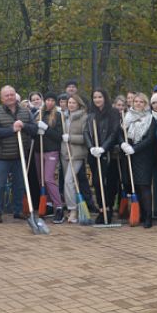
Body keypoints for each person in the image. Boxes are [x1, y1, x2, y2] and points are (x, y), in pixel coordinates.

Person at [0, 85, 39, 222]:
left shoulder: (25, 112)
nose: (10, 97)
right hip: (2, 156)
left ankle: (18, 210)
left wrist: (24, 126)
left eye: (12, 94)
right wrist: (12, 129)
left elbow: (34, 130)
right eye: (7, 95)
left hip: (20, 155)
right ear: (2, 98)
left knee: (19, 185)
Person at [121, 92, 157, 228]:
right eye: (136, 101)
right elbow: (120, 133)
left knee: (144, 186)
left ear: (145, 104)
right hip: (129, 155)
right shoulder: (126, 117)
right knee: (134, 186)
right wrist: (123, 144)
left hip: (143, 156)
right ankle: (140, 214)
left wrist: (135, 149)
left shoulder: (150, 118)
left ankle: (148, 217)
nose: (138, 104)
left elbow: (150, 139)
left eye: (141, 102)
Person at [84, 88, 121, 223]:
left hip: (108, 153)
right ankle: (101, 208)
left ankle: (108, 209)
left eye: (100, 97)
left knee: (106, 182)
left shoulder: (113, 112)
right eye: (95, 97)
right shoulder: (91, 114)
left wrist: (103, 148)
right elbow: (86, 132)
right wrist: (91, 147)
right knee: (96, 182)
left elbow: (114, 132)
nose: (97, 99)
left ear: (105, 98)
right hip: (94, 153)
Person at [35, 92, 64, 223]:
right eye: (48, 100)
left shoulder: (58, 115)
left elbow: (58, 136)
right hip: (38, 150)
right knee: (41, 180)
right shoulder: (38, 114)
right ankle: (49, 205)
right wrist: (35, 130)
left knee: (48, 179)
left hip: (51, 151)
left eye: (52, 100)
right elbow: (32, 131)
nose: (50, 102)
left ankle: (59, 207)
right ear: (44, 101)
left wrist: (46, 128)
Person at [61, 94, 90, 223]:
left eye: (73, 103)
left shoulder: (84, 117)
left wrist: (71, 138)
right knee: (70, 182)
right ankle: (72, 208)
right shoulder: (64, 116)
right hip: (65, 153)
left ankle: (73, 210)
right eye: (69, 103)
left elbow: (86, 137)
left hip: (77, 154)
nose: (71, 105)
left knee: (68, 181)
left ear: (79, 104)